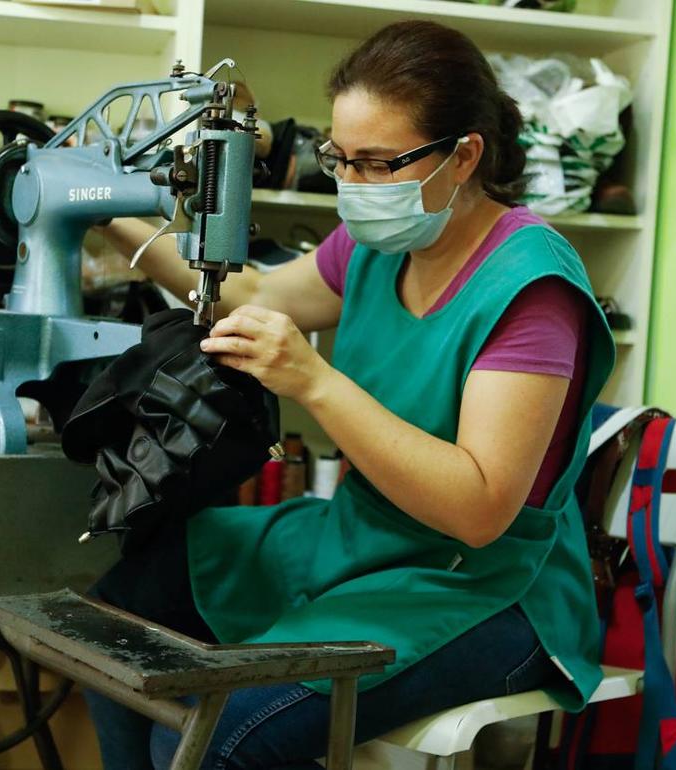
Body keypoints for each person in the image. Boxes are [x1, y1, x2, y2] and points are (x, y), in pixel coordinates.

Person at [86, 19, 616, 769]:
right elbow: (256, 292)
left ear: (465, 155)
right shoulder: (382, 242)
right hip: (359, 538)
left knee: (205, 738)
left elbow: (478, 509)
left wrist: (313, 380)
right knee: (112, 620)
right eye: (341, 159)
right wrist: (106, 211)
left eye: (377, 164)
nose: (351, 186)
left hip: (481, 587)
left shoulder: (531, 288)